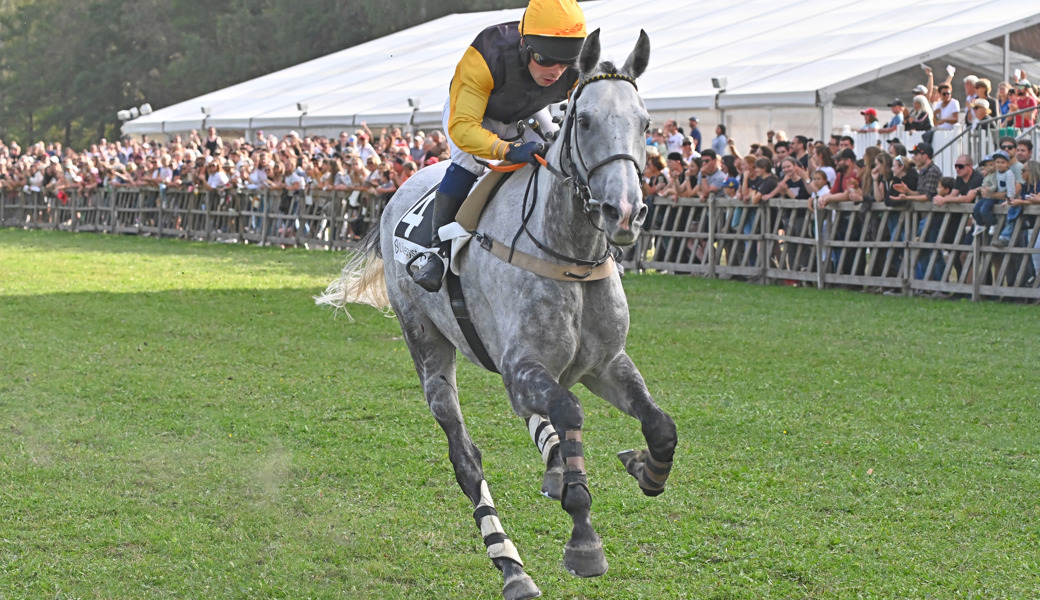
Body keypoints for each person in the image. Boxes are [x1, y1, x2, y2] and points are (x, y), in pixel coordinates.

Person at [410, 0, 587, 292]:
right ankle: (437, 251)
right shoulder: (486, 53)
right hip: (476, 114)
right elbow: (462, 128)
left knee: (558, 153)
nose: (556, 72)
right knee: (469, 163)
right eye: (546, 60)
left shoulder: (578, 67)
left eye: (565, 63)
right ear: (525, 46)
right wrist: (506, 150)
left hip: (528, 109)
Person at [973, 151, 1017, 238]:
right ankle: (982, 225)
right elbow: (988, 183)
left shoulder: (1009, 174)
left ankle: (997, 228)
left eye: (1002, 162)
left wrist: (1009, 199)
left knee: (1004, 218)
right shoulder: (994, 173)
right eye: (997, 162)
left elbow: (1011, 189)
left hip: (1003, 199)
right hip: (995, 198)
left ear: (1008, 163)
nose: (999, 165)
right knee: (977, 209)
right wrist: (981, 189)